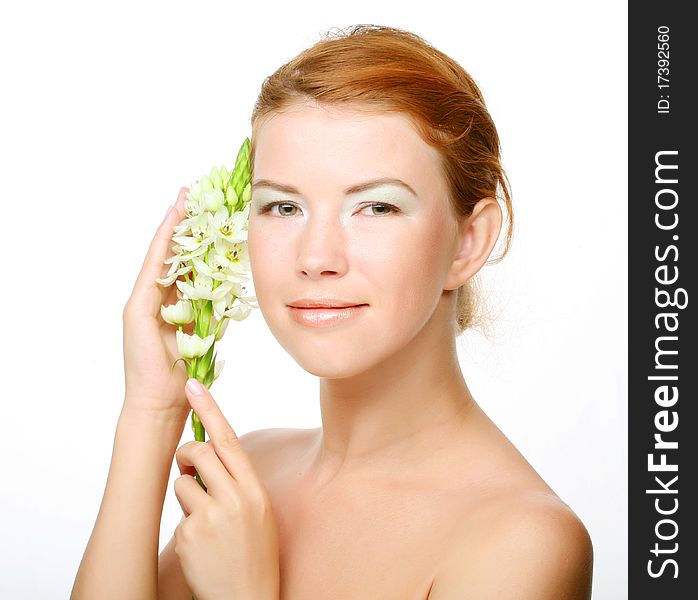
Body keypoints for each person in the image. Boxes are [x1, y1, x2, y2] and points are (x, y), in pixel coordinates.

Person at [71, 24, 593, 600]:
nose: (316, 257)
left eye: (375, 206)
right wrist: (152, 412)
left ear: (468, 243)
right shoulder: (252, 474)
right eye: (283, 206)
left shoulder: (522, 542)